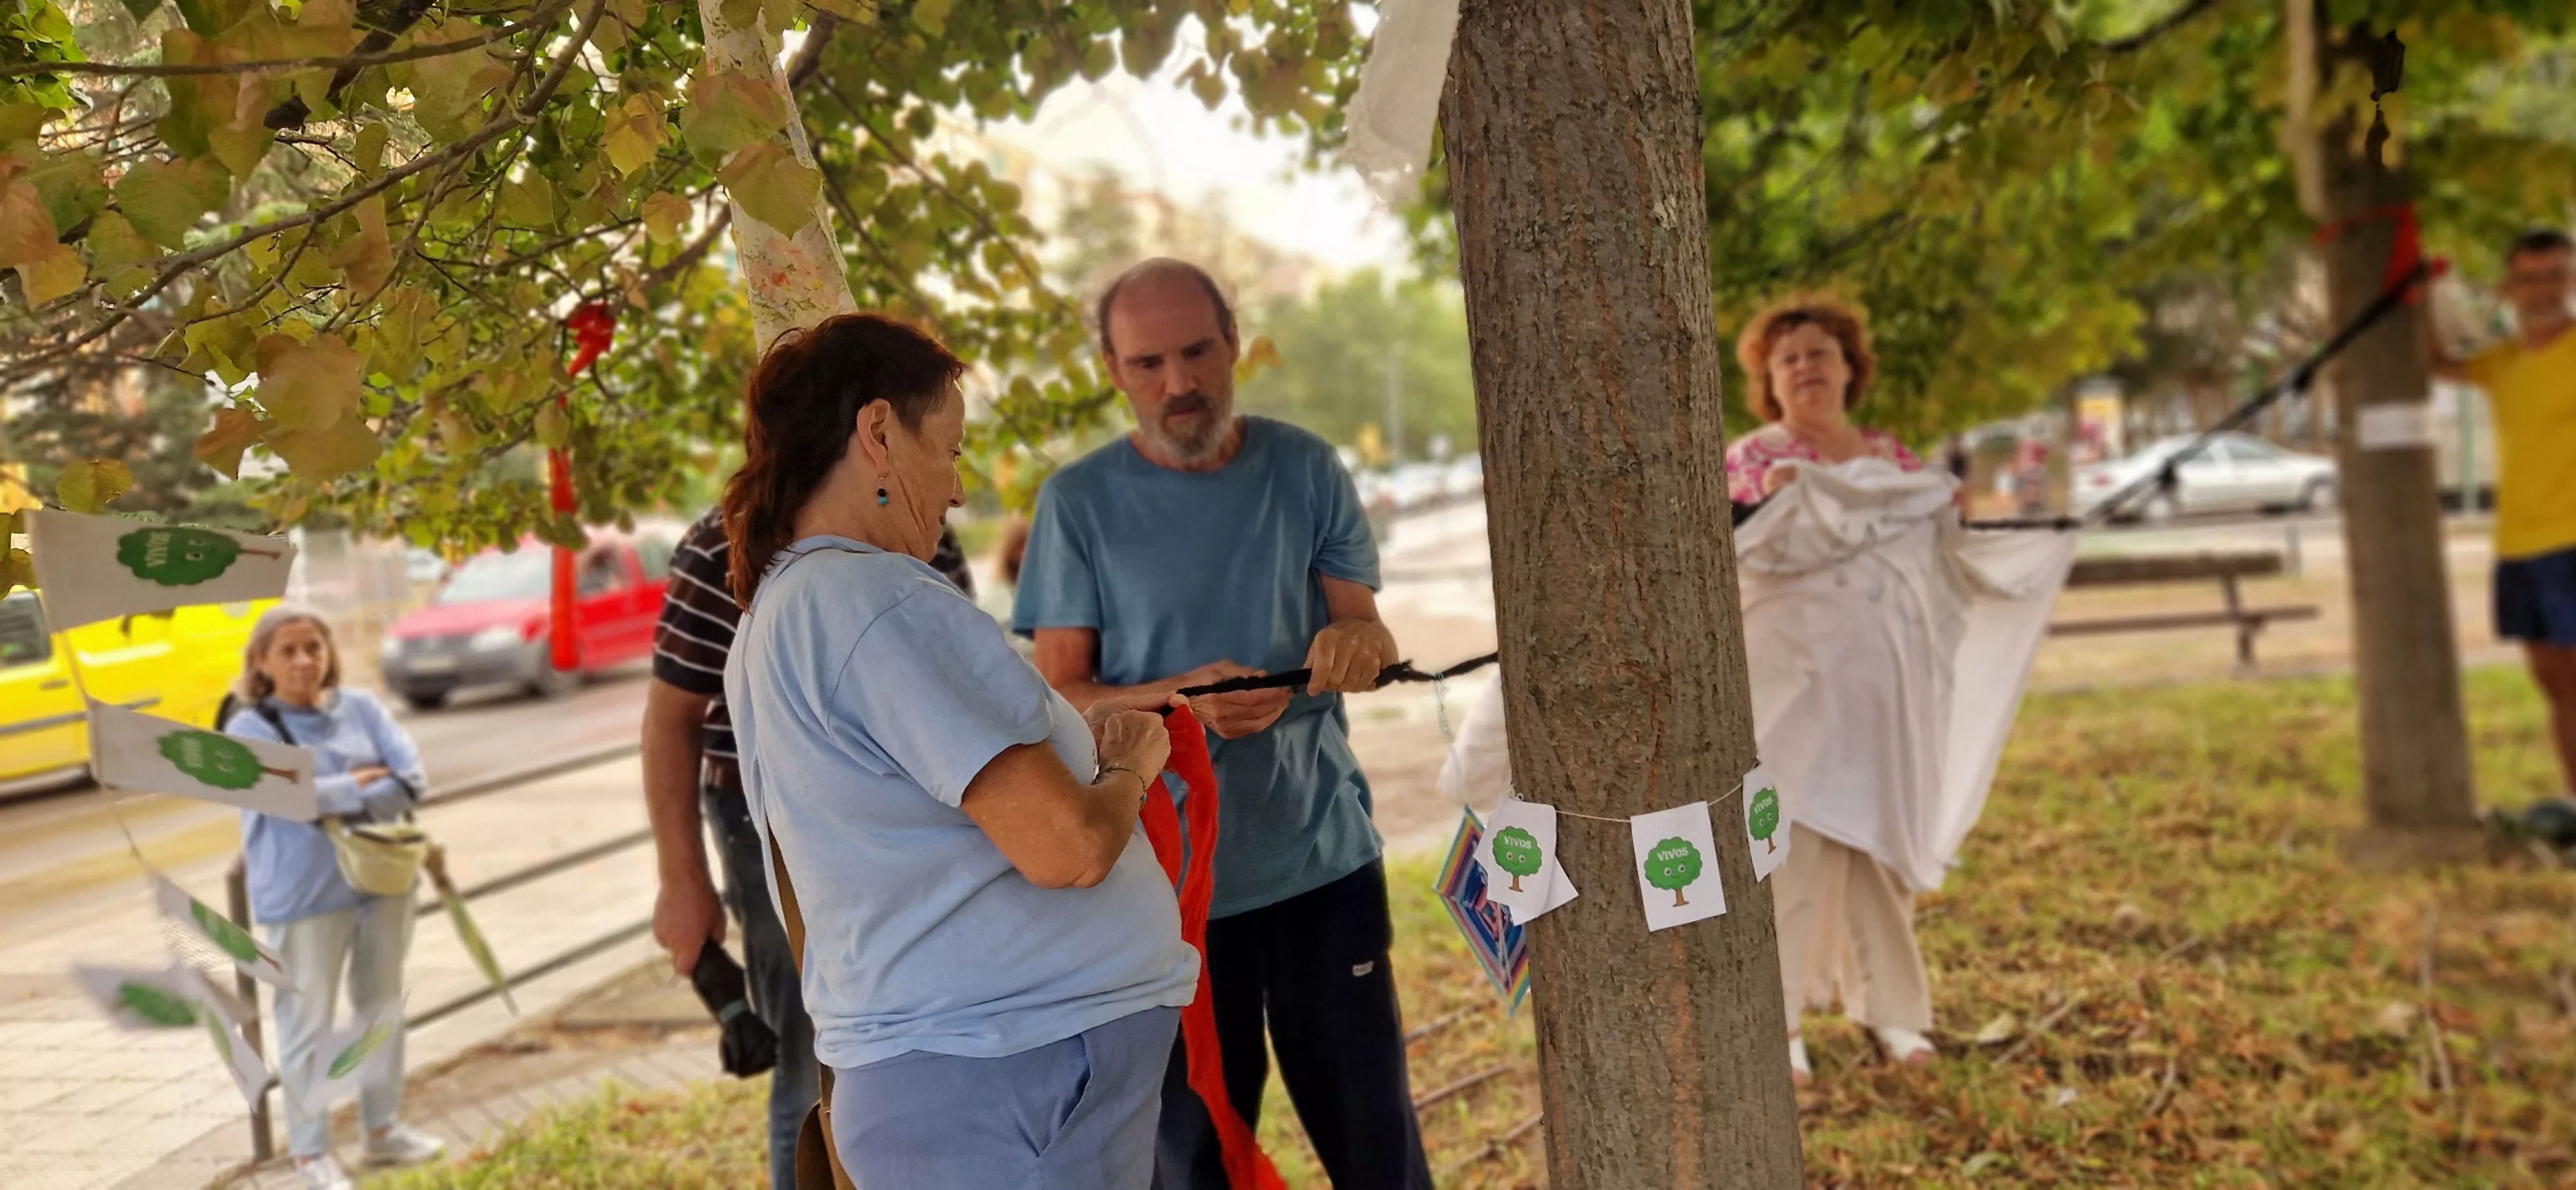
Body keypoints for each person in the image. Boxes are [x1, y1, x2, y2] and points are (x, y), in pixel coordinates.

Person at [721, 312, 1197, 1187]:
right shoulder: (876, 602)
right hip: (1003, 1078)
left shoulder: (789, 607)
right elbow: (1068, 847)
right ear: (878, 433)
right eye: (948, 450)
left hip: (978, 1075)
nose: (956, 490)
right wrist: (1129, 763)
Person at [1015, 258, 1435, 1190]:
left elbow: (1365, 631)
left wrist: (1355, 643)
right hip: (1166, 894)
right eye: (1149, 362)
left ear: (1234, 342)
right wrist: (1182, 700)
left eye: (1198, 351)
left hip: (1322, 864)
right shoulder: (1076, 504)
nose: (1180, 383)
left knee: (1379, 1151)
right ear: (1113, 371)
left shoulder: (1307, 467)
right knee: (1194, 1166)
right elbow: (1061, 699)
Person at [641, 507, 974, 1190]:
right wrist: (681, 879)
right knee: (813, 1060)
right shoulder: (722, 542)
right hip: (771, 825)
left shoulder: (925, 524)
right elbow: (671, 716)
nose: (957, 486)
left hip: (912, 823)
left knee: (923, 1044)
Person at [1727, 294, 1940, 1084]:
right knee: (1786, 845)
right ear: (1769, 382)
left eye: (1820, 353)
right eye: (1787, 360)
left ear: (1851, 367)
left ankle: (1891, 1012)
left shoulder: (1892, 459)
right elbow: (1738, 552)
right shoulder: (1749, 460)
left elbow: (1928, 553)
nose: (1805, 368)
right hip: (1788, 686)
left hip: (1881, 684)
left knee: (1876, 848)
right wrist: (1780, 498)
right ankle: (1779, 1023)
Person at [223, 607, 444, 1190]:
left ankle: (382, 1131)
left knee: (379, 1010)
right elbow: (280, 797)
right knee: (307, 1024)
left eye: (314, 647)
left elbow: (411, 781)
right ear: (262, 663)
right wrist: (358, 783)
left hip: (382, 882)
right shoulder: (250, 728)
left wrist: (324, 793)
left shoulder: (363, 707)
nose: (304, 660)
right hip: (304, 895)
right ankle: (310, 1155)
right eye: (288, 651)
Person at [2429, 229, 2576, 800]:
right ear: (2508, 288)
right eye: (2530, 279)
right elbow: (2436, 363)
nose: (2544, 290)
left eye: (2557, 276)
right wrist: (2421, 294)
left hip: (2571, 543)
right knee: (2556, 689)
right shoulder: (2504, 361)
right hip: (2518, 547)